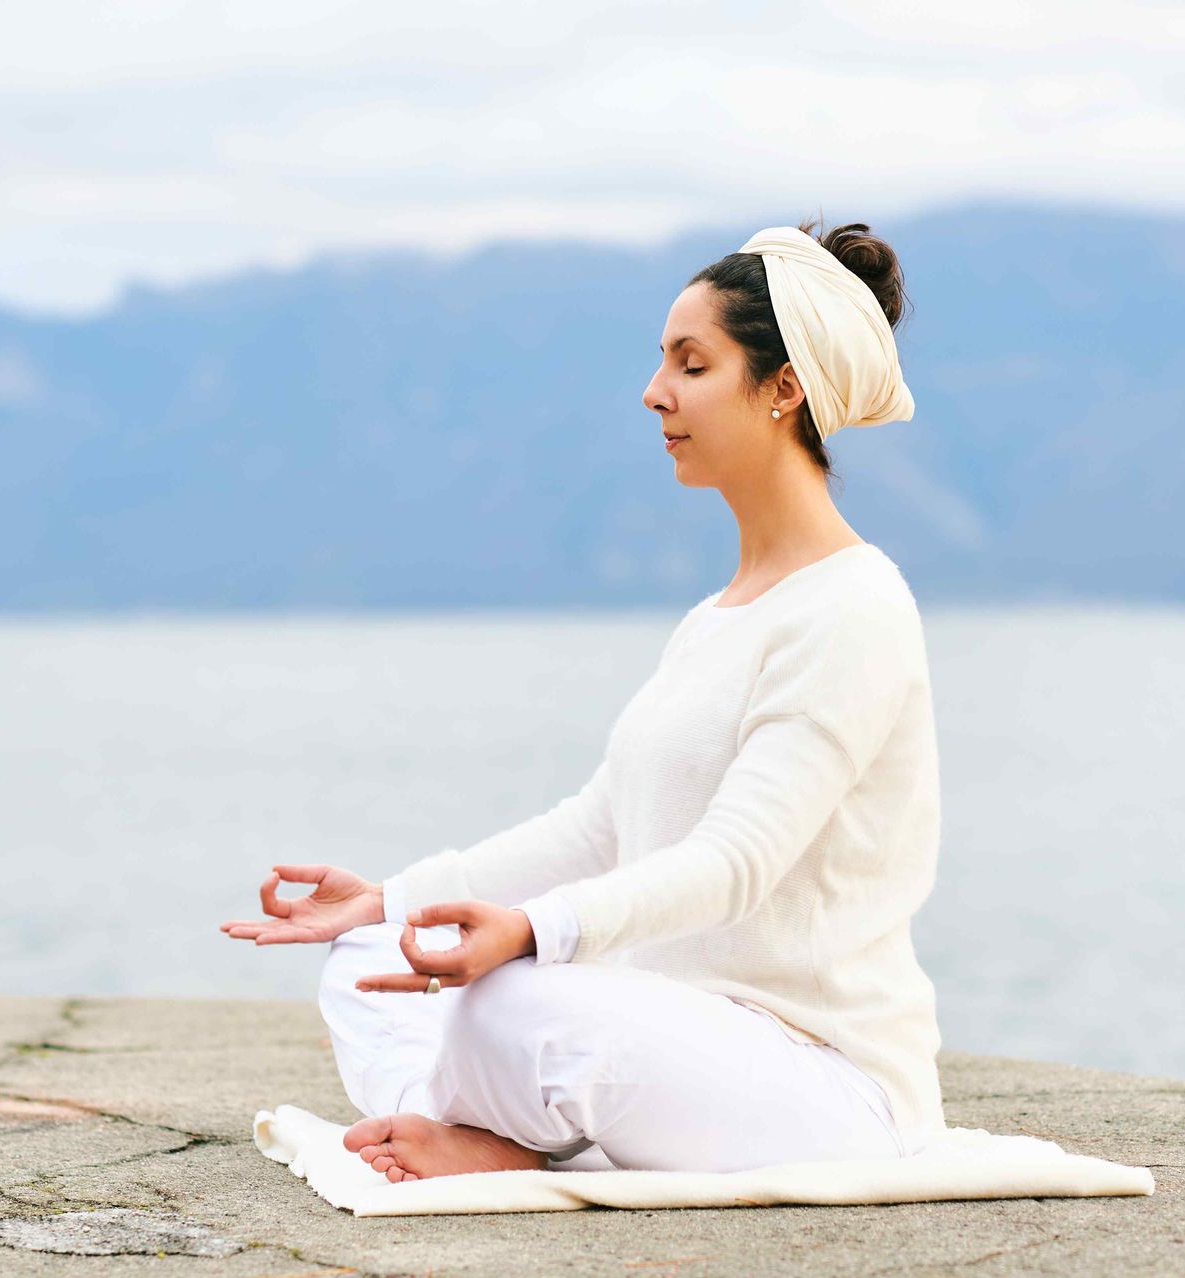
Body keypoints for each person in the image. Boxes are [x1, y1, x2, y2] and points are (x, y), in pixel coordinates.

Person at [221, 218, 948, 1181]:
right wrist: (390, 901)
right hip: (679, 1047)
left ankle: (493, 1133)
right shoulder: (718, 618)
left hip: (821, 1086)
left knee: (507, 1000)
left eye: (692, 365)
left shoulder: (855, 607)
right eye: (662, 364)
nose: (655, 394)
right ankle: (478, 1131)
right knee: (370, 963)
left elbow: (738, 862)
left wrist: (533, 933)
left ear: (783, 389)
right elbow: (598, 826)